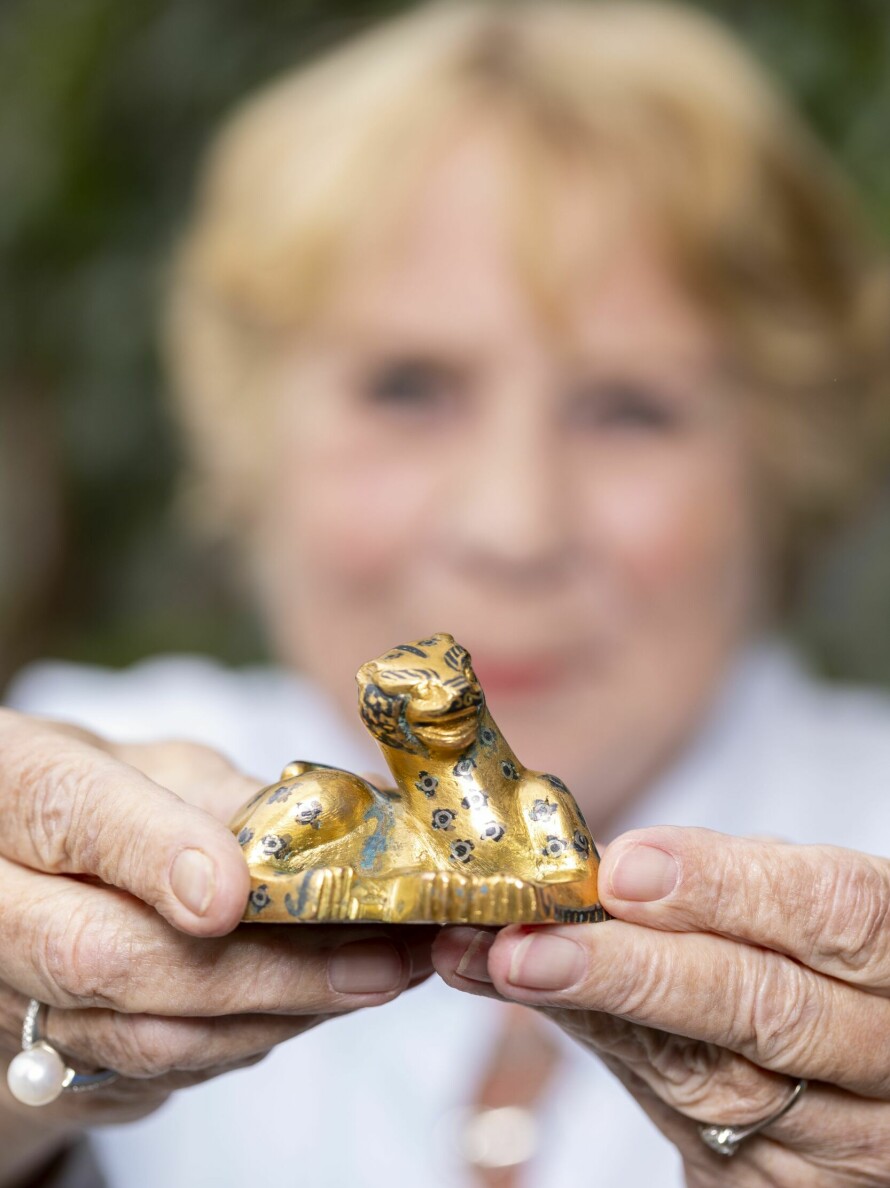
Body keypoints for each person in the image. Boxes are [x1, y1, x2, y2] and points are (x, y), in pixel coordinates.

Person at [3, 1, 890, 1184]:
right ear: (254, 434)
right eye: (408, 388)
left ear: (779, 456)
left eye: (631, 406)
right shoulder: (79, 791)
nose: (511, 525)